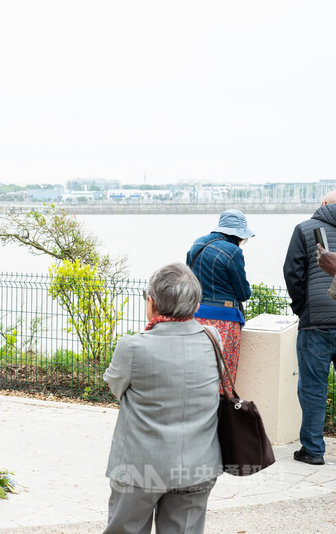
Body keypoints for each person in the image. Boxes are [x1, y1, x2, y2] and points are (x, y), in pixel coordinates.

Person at [102, 262, 222, 534]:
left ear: (152, 303)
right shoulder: (212, 338)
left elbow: (115, 387)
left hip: (139, 467)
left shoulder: (132, 347)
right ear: (196, 304)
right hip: (198, 465)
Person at [283, 189, 336, 466]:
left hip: (316, 321)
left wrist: (302, 307)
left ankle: (313, 450)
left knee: (313, 387)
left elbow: (293, 272)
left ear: (324, 204)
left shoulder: (305, 229)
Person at [186, 209, 253, 393]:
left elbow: (188, 277)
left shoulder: (197, 244)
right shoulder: (233, 252)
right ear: (238, 235)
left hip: (195, 317)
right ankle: (219, 417)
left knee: (196, 371)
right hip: (224, 320)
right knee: (224, 375)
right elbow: (243, 293)